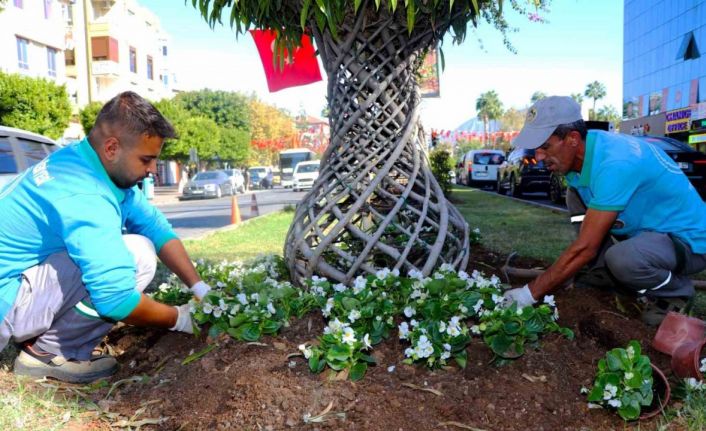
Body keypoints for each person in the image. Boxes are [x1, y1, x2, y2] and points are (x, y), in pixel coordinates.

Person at [0, 91, 211, 383]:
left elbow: (156, 227)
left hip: (13, 289)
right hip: (5, 304)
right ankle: (50, 353)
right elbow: (116, 300)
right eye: (146, 160)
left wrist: (200, 287)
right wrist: (181, 319)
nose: (152, 170)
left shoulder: (84, 162)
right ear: (112, 148)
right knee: (137, 255)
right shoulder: (85, 192)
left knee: (136, 244)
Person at [502, 96, 706, 325]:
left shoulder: (616, 164)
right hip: (650, 232)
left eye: (545, 147)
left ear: (572, 139)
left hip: (689, 242)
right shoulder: (586, 151)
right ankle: (601, 272)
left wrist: (529, 293)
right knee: (575, 195)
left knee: (622, 260)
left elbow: (585, 248)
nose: (538, 157)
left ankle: (675, 291)